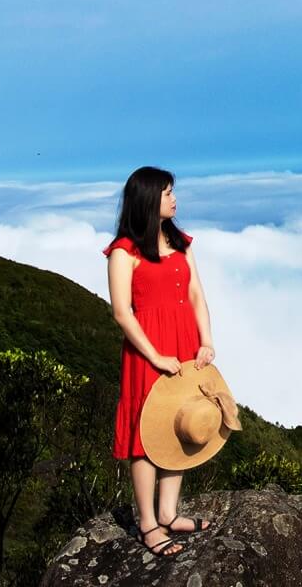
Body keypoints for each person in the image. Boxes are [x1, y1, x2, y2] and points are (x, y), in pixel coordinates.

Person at [104, 165, 216, 557]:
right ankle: (148, 524)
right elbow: (122, 312)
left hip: (185, 344)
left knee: (179, 423)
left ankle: (169, 512)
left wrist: (206, 341)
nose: (174, 198)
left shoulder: (182, 242)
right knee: (145, 434)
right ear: (149, 199)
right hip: (147, 351)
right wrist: (154, 355)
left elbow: (197, 295)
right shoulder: (124, 251)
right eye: (167, 192)